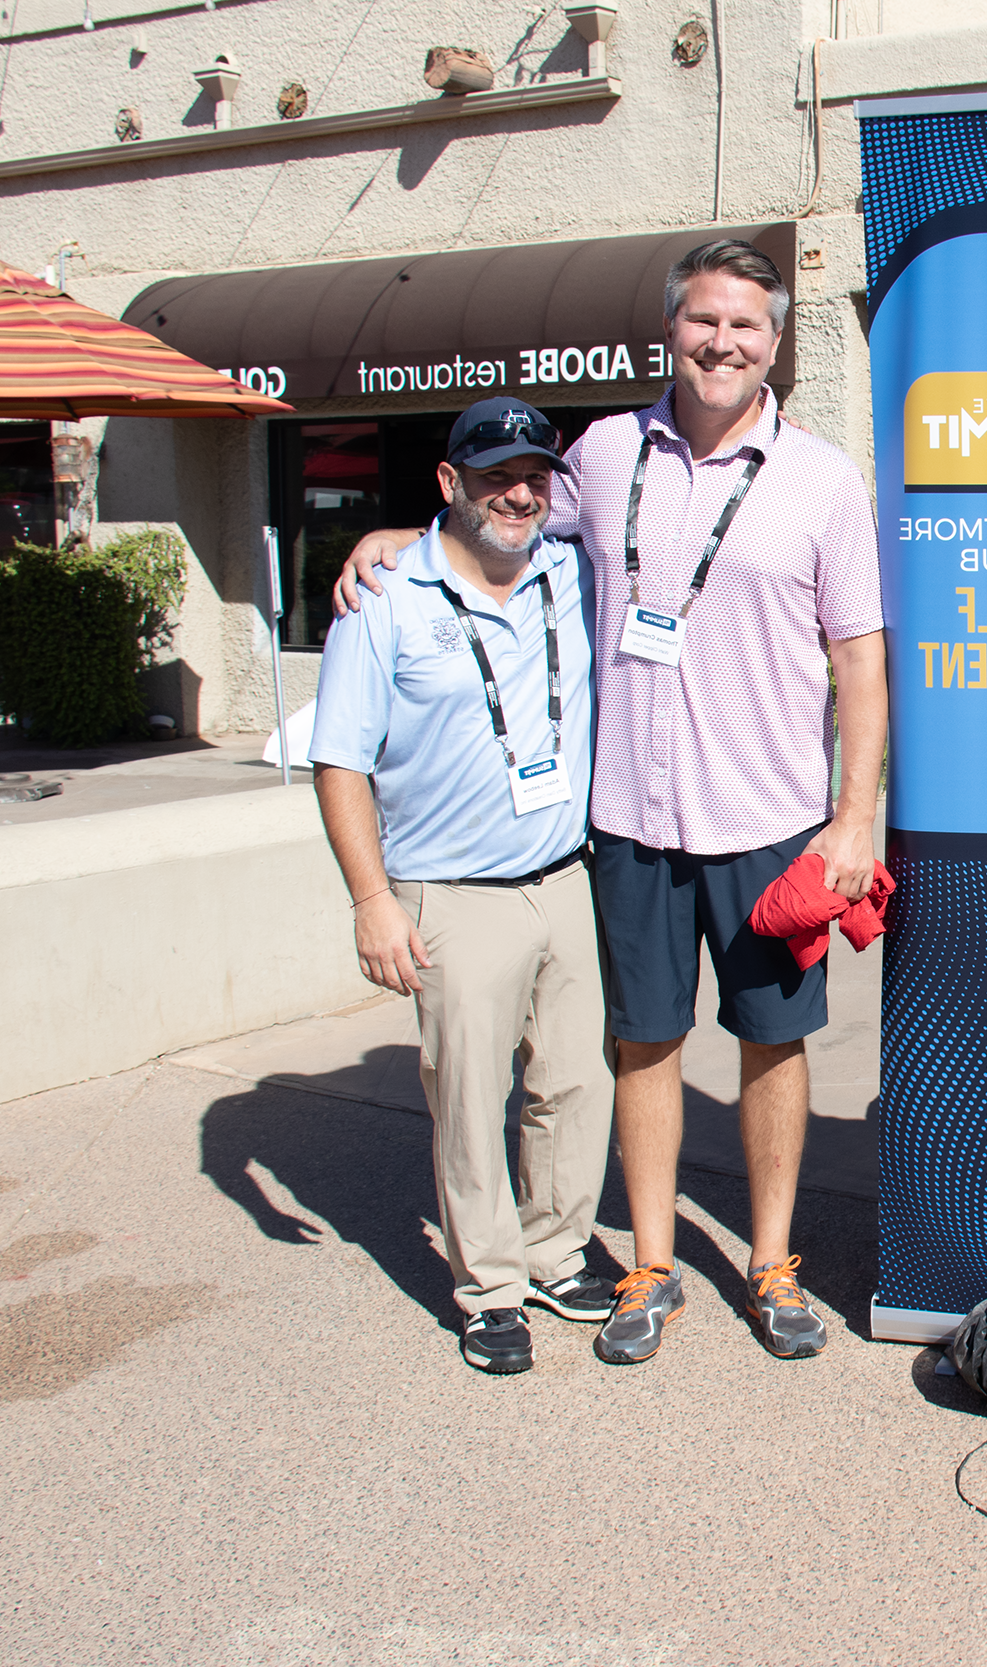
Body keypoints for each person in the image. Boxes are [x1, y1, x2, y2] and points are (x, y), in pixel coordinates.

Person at [334, 240, 888, 1368]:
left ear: (774, 342)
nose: (720, 342)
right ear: (669, 332)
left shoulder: (823, 479)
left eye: (743, 325)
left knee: (774, 1045)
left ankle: (771, 1263)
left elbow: (862, 658)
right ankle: (649, 1259)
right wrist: (401, 536)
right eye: (701, 322)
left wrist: (852, 815)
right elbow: (505, 520)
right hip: (628, 820)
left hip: (772, 817)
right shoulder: (600, 451)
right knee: (642, 1042)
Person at [308, 396, 613, 1376]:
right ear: (450, 483)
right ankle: (488, 1285)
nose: (517, 494)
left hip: (566, 877)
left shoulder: (570, 568)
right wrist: (371, 898)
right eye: (492, 477)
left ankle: (556, 1252)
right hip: (450, 889)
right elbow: (340, 761)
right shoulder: (385, 597)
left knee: (573, 1082)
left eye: (532, 475)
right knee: (471, 1100)